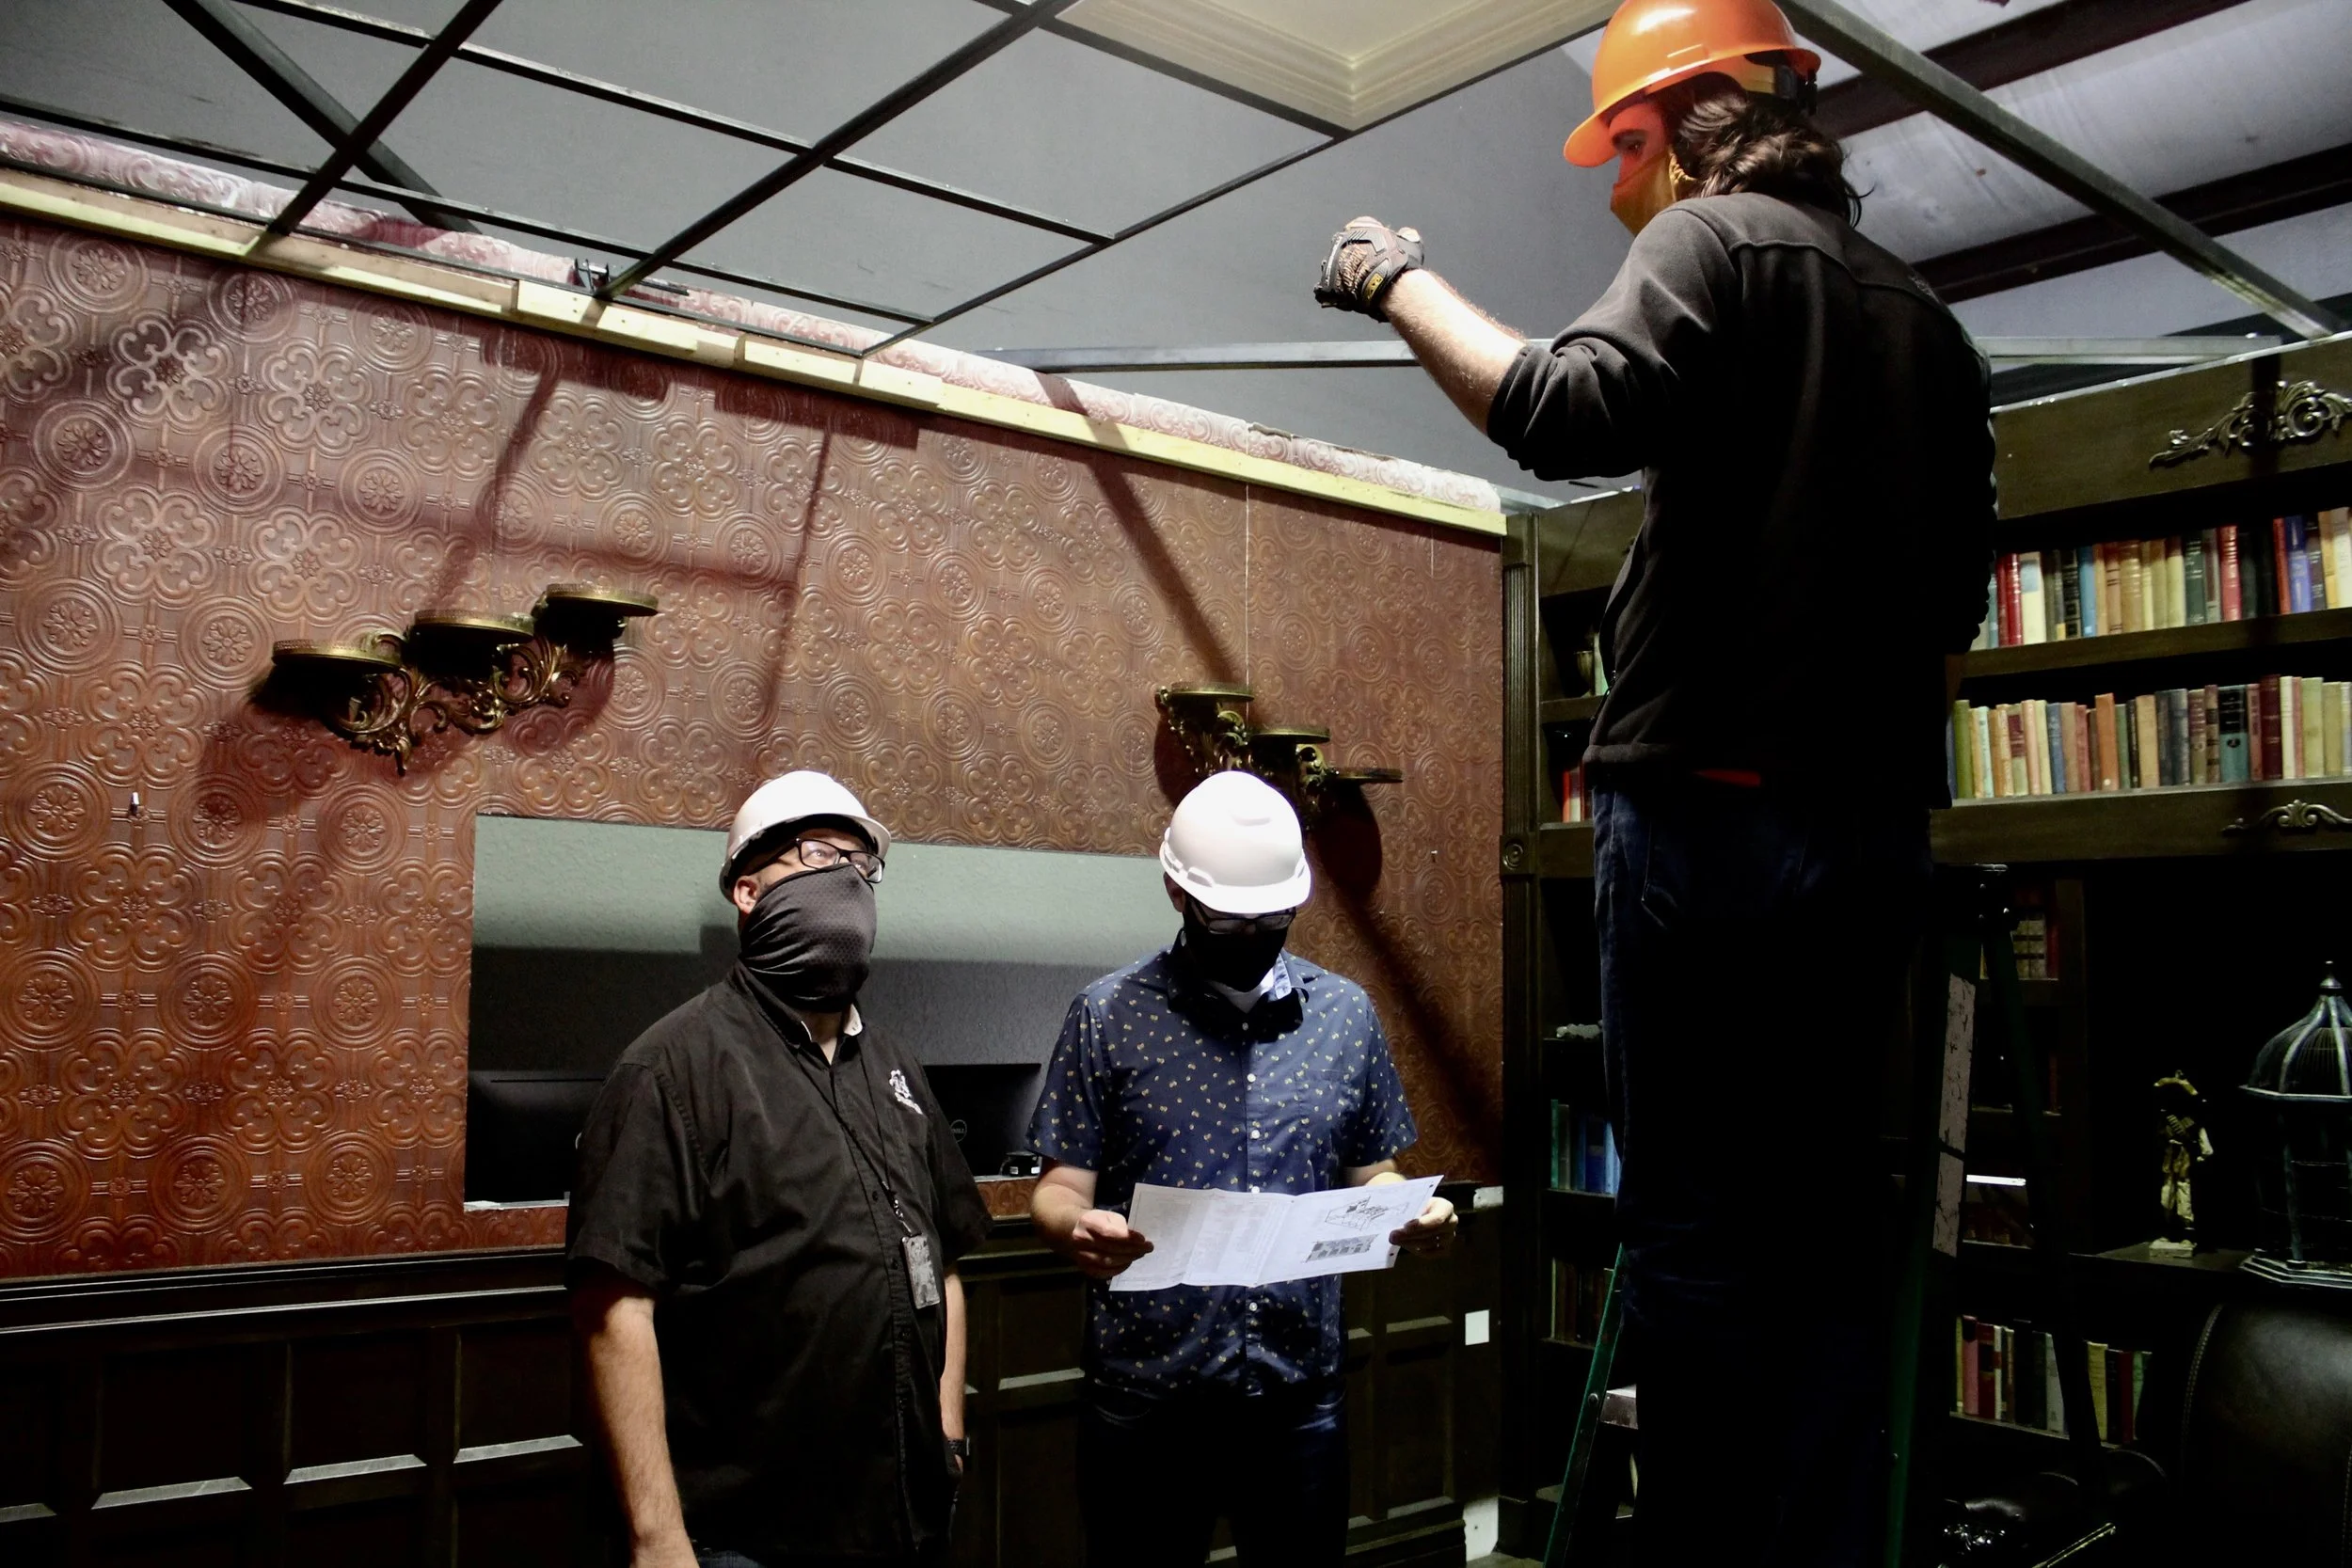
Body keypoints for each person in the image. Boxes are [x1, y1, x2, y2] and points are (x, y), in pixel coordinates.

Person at [1312, 1, 1994, 1562]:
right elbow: (1949, 613)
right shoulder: (1930, 330)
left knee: (1694, 1236)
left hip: (1707, 819)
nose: (1618, 193)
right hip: (1868, 828)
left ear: (1665, 123)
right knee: (1821, 1243)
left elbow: (1559, 409)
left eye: (1619, 156)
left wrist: (1396, 278)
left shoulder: (1720, 244)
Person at [1025, 768, 1458, 1568]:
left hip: (1299, 1396)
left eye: (1273, 915)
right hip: (1146, 1397)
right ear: (1176, 891)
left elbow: (1375, 1169)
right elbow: (1057, 1187)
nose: (1254, 930)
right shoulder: (1108, 1014)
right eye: (1231, 918)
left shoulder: (1345, 1015)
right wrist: (1072, 1225)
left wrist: (1409, 1208)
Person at [568, 770, 991, 1568]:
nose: (849, 880)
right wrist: (657, 1538)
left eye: (864, 867)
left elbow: (945, 1255)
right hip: (748, 1533)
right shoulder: (670, 1069)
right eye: (820, 855)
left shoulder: (895, 1065)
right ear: (749, 890)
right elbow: (611, 1307)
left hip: (903, 1513)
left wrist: (948, 1430)